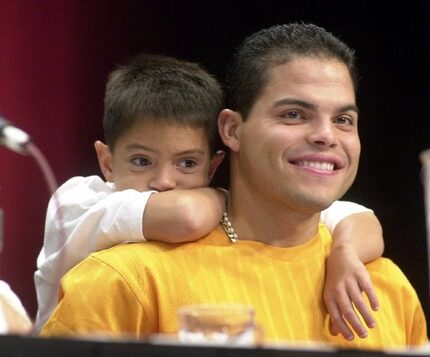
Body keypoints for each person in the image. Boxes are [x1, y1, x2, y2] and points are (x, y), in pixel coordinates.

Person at [39, 35, 407, 348]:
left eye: (343, 120)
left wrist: (344, 250)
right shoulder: (122, 279)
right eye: (294, 114)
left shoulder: (385, 283)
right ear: (231, 130)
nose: (326, 135)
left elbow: (353, 216)